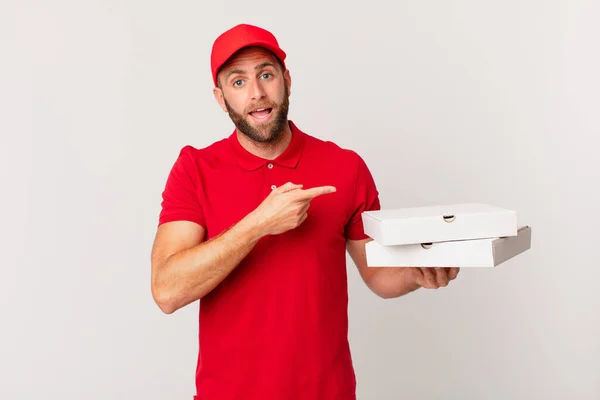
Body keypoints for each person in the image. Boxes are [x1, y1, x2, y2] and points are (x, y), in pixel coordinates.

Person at [150, 23, 460, 400]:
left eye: (266, 74)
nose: (256, 93)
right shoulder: (195, 169)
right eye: (238, 82)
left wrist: (415, 273)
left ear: (287, 80)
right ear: (220, 97)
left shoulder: (345, 167)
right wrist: (258, 224)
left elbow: (378, 275)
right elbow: (167, 290)